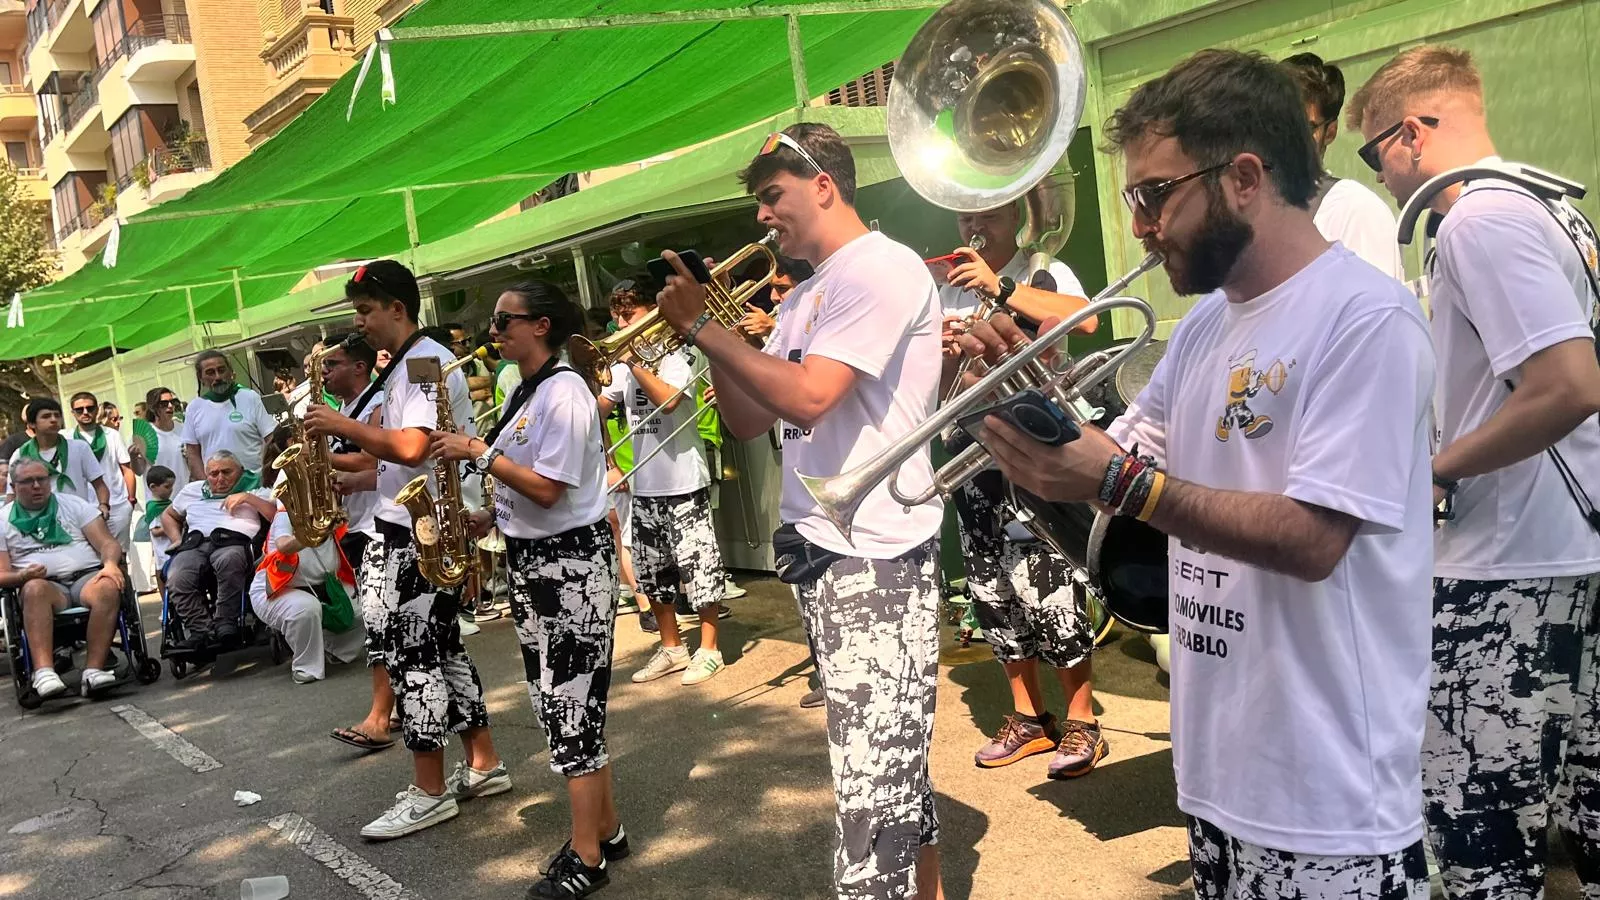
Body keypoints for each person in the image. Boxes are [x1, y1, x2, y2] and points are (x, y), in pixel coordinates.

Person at [952, 49, 1435, 899]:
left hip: (1329, 805)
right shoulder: (1207, 325)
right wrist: (1018, 408)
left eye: (1154, 194)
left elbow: (1314, 538)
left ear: (1243, 177)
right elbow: (1110, 487)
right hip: (1217, 782)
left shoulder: (1366, 318)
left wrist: (1117, 482)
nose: (1140, 224)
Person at [657, 122, 946, 899]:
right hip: (827, 549)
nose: (761, 216)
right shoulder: (807, 294)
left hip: (875, 551)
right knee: (886, 768)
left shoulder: (877, 267)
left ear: (823, 185)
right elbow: (750, 418)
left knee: (872, 791)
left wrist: (702, 326)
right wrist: (713, 338)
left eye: (771, 195)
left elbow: (814, 396)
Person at [1349, 46, 1600, 899]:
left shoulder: (1478, 220)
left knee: (1479, 840)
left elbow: (1567, 386)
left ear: (1412, 133)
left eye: (1374, 150)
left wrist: (1434, 470)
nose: (1378, 173)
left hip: (1506, 570)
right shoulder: (1551, 206)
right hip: (1566, 553)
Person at [433, 280, 628, 899]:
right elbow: (530, 487)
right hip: (536, 561)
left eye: (503, 321)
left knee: (571, 706)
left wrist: (477, 452)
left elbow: (549, 489)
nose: (492, 332)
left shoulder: (564, 391)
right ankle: (607, 828)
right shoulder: (529, 388)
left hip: (569, 565)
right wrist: (489, 516)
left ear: (541, 325)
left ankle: (588, 856)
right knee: (556, 702)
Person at [303, 258, 507, 842]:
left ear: (398, 308)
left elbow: (414, 447)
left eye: (366, 311)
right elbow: (403, 459)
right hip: (417, 524)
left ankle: (428, 792)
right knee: (442, 650)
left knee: (412, 659)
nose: (359, 322)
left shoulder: (421, 363)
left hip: (419, 533)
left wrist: (340, 424)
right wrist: (355, 472)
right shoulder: (405, 364)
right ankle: (484, 763)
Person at [933, 207, 1108, 777]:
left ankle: (1082, 721)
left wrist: (1000, 287)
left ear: (1014, 213)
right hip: (972, 449)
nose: (972, 225)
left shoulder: (1041, 270)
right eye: (963, 216)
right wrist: (944, 357)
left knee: (1046, 584)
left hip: (1035, 450)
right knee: (991, 587)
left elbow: (1087, 321)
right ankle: (1029, 719)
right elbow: (944, 389)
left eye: (984, 213)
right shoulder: (949, 290)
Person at [602, 284, 730, 687]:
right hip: (645, 484)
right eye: (617, 316)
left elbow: (670, 400)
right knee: (652, 573)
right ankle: (672, 647)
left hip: (683, 481)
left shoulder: (678, 352)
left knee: (699, 567)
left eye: (629, 314)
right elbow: (598, 408)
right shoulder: (623, 364)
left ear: (652, 312)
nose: (621, 323)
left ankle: (710, 649)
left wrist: (632, 363)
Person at [317, 334, 402, 753]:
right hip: (358, 524)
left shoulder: (376, 405)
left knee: (380, 621)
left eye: (332, 365)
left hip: (379, 525)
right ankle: (400, 705)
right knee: (385, 622)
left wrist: (320, 458)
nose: (325, 373)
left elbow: (374, 461)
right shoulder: (347, 409)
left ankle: (379, 718)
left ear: (359, 367)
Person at [0, 458, 127, 699]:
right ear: (14, 487)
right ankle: (45, 673)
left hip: (85, 577)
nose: (37, 485)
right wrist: (21, 576)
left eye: (42, 479)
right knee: (34, 589)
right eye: (28, 481)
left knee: (108, 586)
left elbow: (107, 543)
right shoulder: (3, 519)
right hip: (45, 587)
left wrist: (110, 564)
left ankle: (94, 671)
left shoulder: (74, 505)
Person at [1280, 52, 1406, 279]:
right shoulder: (1248, 212)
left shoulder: (1355, 211)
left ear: (1330, 132)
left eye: (1303, 128)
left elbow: (1372, 300)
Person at [160, 450, 276, 652]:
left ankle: (225, 623)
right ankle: (201, 630)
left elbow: (275, 516)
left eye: (226, 472)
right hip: (195, 544)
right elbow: (168, 515)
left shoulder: (256, 487)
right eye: (213, 474)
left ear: (240, 470)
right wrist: (177, 539)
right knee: (176, 575)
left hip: (234, 542)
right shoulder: (193, 490)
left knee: (229, 561)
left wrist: (248, 498)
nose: (220, 478)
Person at [251, 499, 366, 684]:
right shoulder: (285, 514)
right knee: (306, 608)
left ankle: (334, 649)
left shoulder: (333, 512)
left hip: (325, 587)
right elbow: (284, 545)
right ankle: (306, 666)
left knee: (368, 607)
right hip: (277, 589)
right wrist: (315, 533)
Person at [8, 398, 111, 522]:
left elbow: (100, 485)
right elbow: (12, 494)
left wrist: (103, 505)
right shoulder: (21, 454)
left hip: (78, 519)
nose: (53, 420)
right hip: (39, 522)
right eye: (46, 416)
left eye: (57, 415)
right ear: (32, 424)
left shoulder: (79, 448)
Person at [181, 351, 277, 481]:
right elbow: (192, 453)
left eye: (221, 370)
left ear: (230, 372)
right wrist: (206, 484)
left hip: (254, 483)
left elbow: (271, 439)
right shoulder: (194, 408)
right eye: (210, 372)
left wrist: (267, 475)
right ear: (201, 377)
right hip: (216, 485)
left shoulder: (250, 398)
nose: (218, 377)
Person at [68, 392, 135, 548]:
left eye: (90, 408)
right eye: (79, 410)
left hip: (117, 505)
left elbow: (127, 469)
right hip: (84, 508)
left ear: (97, 410)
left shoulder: (112, 435)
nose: (85, 412)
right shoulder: (67, 439)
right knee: (94, 556)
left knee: (120, 553)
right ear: (73, 413)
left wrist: (130, 501)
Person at [131, 387, 192, 488]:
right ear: (153, 407)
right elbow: (139, 471)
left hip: (183, 492)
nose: (170, 406)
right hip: (158, 495)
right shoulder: (144, 434)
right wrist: (133, 457)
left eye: (173, 402)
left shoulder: (183, 429)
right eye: (164, 404)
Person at [142, 465, 176, 590]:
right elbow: (155, 531)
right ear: (153, 487)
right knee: (162, 571)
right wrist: (174, 527)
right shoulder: (153, 507)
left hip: (173, 544)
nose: (170, 490)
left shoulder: (169, 503)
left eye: (171, 486)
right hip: (162, 547)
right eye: (167, 487)